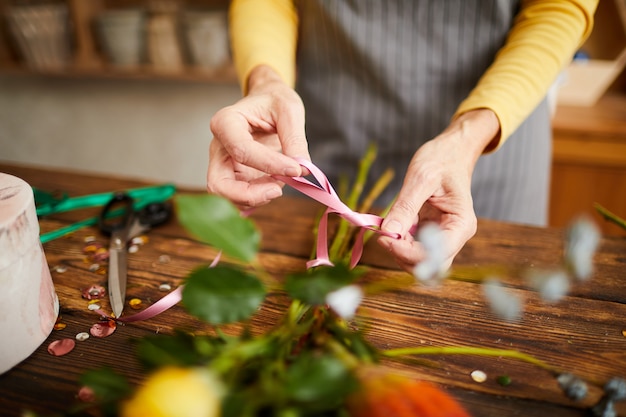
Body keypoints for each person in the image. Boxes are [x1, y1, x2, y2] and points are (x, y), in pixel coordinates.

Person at [207, 0, 597, 274]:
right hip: (328, 132)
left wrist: (468, 135)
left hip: (489, 148)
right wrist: (265, 80)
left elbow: (559, 7)